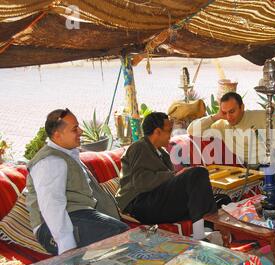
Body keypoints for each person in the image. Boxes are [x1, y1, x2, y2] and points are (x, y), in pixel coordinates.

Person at [26, 109, 129, 256]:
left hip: (78, 216)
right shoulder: (50, 162)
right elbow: (51, 205)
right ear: (57, 135)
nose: (80, 131)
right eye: (75, 129)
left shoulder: (69, 153)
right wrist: (66, 245)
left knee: (120, 234)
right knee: (117, 234)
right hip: (51, 229)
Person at [116, 112, 217, 241]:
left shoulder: (162, 153)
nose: (171, 134)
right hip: (139, 204)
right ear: (157, 132)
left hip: (155, 202)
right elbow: (142, 182)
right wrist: (175, 175)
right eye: (169, 130)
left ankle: (207, 231)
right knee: (197, 173)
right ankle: (200, 233)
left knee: (216, 199)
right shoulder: (139, 147)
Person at [187, 92, 275, 183]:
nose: (229, 117)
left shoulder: (262, 116)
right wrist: (216, 116)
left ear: (242, 107)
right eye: (224, 112)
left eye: (232, 111)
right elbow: (192, 131)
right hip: (254, 169)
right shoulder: (222, 125)